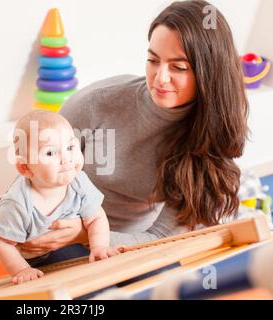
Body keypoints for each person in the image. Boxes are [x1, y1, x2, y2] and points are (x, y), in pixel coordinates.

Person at [17, 0, 248, 258]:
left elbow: (162, 238)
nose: (160, 78)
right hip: (59, 231)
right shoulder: (96, 103)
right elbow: (31, 179)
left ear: (209, 73)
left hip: (133, 242)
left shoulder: (210, 134)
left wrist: (89, 235)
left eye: (178, 67)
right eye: (153, 60)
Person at [0, 110, 120, 293]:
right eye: (51, 153)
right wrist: (22, 270)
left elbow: (96, 218)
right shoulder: (18, 204)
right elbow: (1, 242)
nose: (66, 158)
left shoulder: (79, 181)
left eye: (70, 147)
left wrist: (99, 246)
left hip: (39, 236)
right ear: (25, 167)